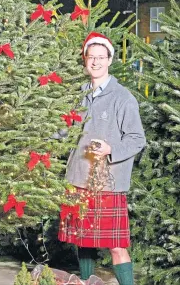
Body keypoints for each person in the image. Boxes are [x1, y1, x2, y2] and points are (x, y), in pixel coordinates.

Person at [58, 32, 146, 285]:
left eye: (100, 57)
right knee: (83, 241)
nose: (95, 62)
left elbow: (137, 139)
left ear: (109, 60)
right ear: (85, 60)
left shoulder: (123, 98)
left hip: (107, 182)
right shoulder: (78, 95)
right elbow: (64, 131)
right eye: (90, 57)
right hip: (78, 178)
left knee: (116, 245)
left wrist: (111, 149)